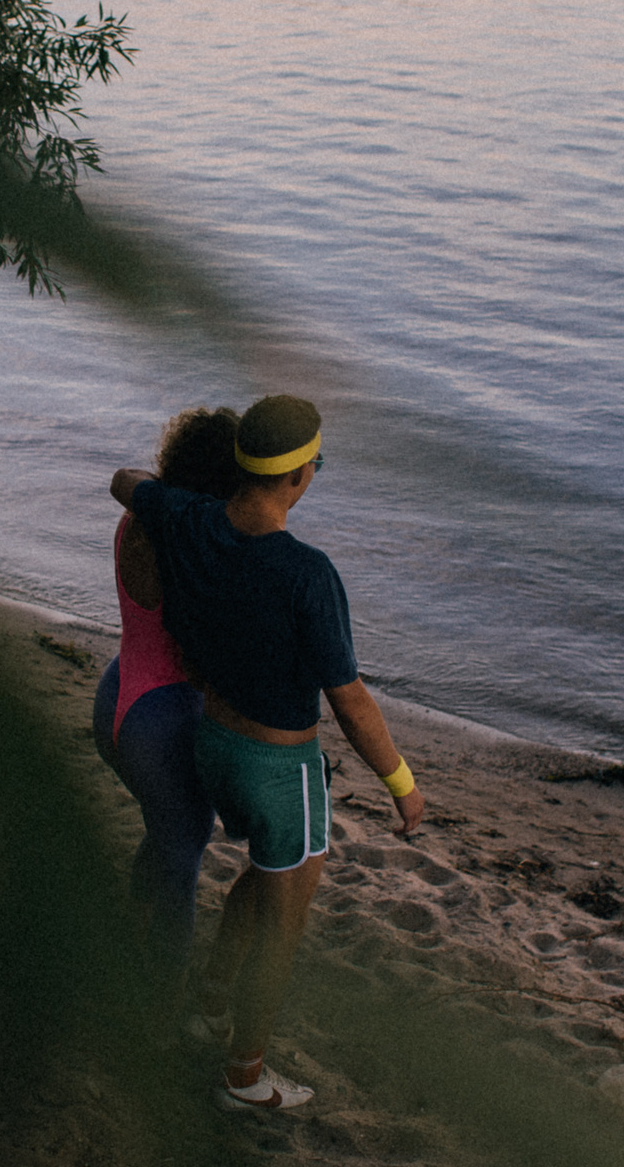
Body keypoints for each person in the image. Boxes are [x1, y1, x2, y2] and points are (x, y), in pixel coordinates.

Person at [110, 394, 423, 1110]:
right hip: (281, 768)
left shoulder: (188, 520)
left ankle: (211, 1000)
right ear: (298, 478)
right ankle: (245, 1078)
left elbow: (125, 483)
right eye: (315, 462)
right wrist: (401, 782)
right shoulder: (308, 574)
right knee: (285, 925)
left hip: (214, 746)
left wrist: (157, 493)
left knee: (267, 872)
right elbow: (350, 701)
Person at [93, 406, 245, 982]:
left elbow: (128, 478)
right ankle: (163, 999)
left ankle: (127, 935)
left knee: (164, 834)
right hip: (162, 720)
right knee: (183, 857)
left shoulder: (140, 516)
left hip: (117, 695)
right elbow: (203, 659)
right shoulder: (193, 545)